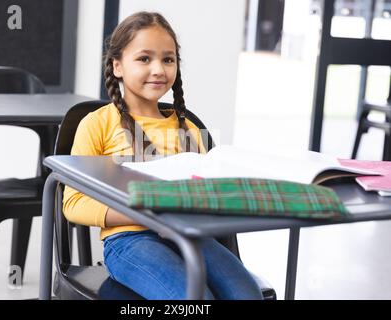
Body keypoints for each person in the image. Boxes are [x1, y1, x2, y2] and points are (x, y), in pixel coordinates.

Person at [63, 11, 263, 300]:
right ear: (117, 65)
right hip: (129, 241)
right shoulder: (97, 123)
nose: (158, 69)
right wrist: (142, 211)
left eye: (168, 59)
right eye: (144, 59)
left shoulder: (190, 128)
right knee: (194, 300)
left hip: (190, 237)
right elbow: (73, 203)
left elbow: (208, 188)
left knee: (248, 295)